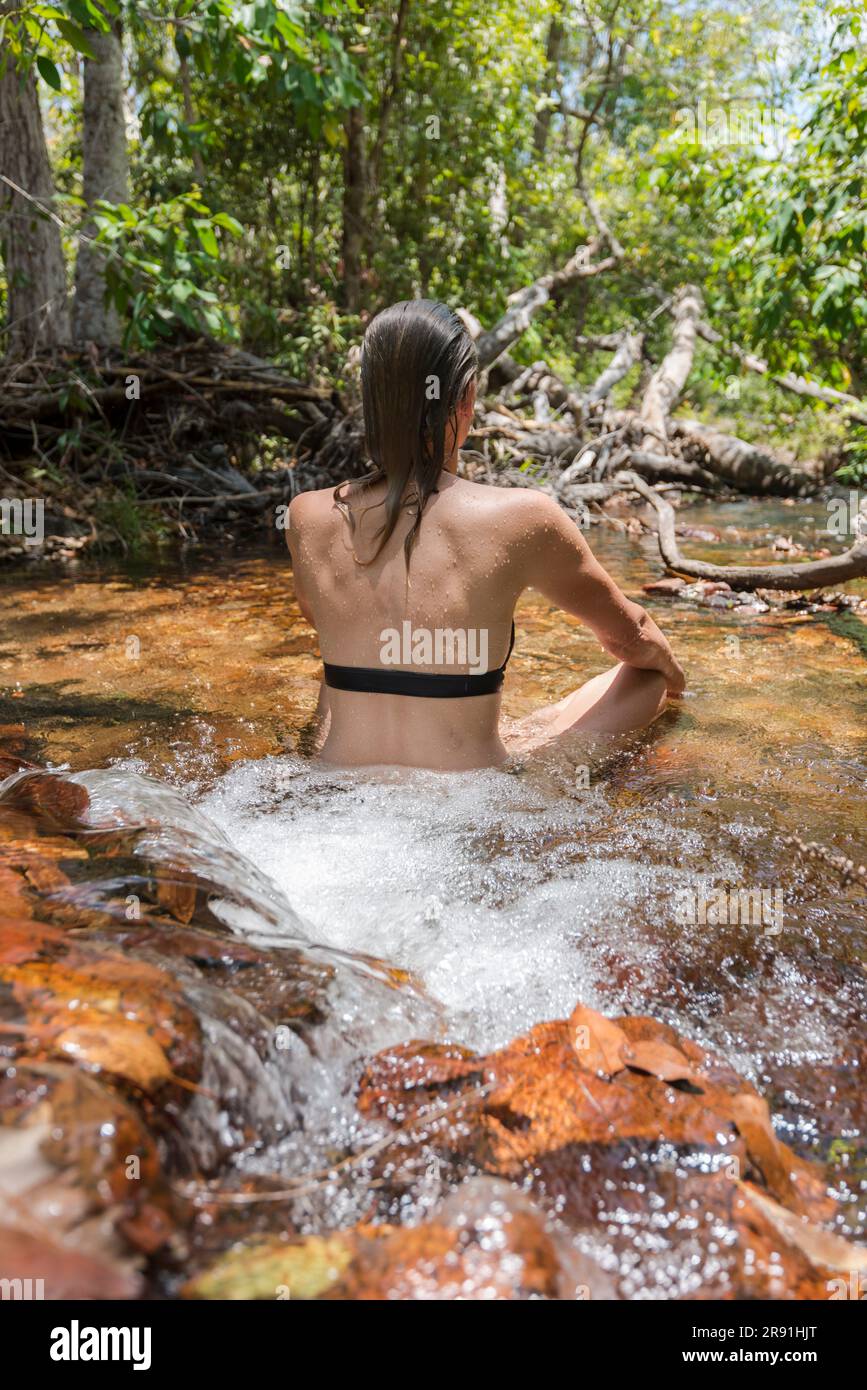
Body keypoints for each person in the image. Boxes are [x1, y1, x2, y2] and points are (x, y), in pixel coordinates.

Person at [286, 299, 685, 770]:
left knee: (347, 666)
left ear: (370, 399)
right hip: (470, 797)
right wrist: (679, 683)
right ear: (467, 398)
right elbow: (630, 636)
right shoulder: (523, 516)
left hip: (334, 784)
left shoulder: (306, 516)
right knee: (646, 678)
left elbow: (323, 620)